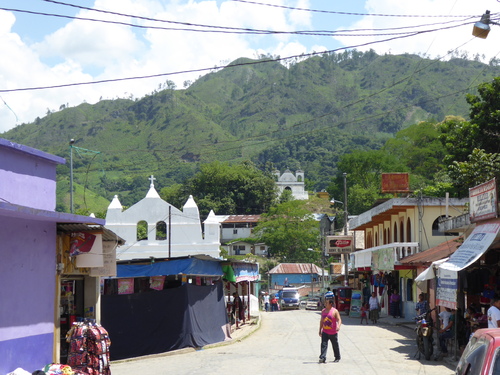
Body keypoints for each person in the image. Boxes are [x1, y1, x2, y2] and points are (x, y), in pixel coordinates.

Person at [318, 298, 342, 363]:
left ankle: (337, 357)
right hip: (325, 331)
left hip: (333, 332)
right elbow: (321, 321)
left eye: (326, 303)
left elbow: (339, 319)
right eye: (325, 303)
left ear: (331, 304)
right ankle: (322, 357)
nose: (325, 304)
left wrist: (338, 326)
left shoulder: (335, 311)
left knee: (335, 345)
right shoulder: (323, 311)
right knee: (323, 345)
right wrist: (320, 330)